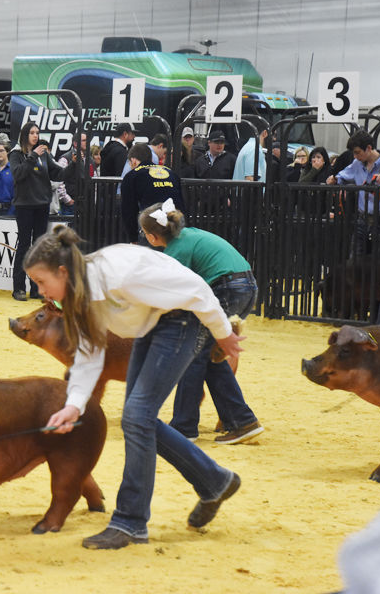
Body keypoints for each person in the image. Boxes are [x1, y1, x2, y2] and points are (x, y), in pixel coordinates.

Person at [24, 224, 244, 550]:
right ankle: (215, 481)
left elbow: (196, 289)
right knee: (138, 418)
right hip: (150, 324)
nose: (40, 291)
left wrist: (223, 331)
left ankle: (130, 522)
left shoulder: (118, 274)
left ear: (62, 271)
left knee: (137, 416)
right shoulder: (81, 294)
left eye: (42, 282)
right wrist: (74, 405)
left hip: (183, 318)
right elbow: (88, 356)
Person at [139, 199, 264, 444]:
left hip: (225, 288)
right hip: (246, 287)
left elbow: (174, 294)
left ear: (152, 237)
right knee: (207, 357)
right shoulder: (189, 236)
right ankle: (239, 420)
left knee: (193, 354)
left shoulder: (176, 251)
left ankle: (186, 426)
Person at [9, 121, 65, 301]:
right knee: (24, 245)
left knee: (39, 248)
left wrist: (72, 166)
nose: (35, 135)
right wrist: (32, 155)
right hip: (24, 205)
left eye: (37, 132)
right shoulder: (16, 155)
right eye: (32, 132)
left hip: (42, 204)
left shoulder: (44, 155)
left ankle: (36, 289)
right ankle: (18, 287)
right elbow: (18, 175)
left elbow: (56, 173)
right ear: (25, 135)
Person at [327, 130, 380, 256]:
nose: (355, 156)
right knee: (355, 258)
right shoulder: (356, 164)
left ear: (369, 148)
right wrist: (335, 179)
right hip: (362, 219)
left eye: (357, 152)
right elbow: (342, 175)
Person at [120, 143, 185, 244]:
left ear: (133, 160)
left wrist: (133, 238)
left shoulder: (131, 176)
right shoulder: (170, 173)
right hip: (176, 225)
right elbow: (181, 201)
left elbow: (128, 211)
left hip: (152, 228)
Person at [0, 142, 14, 215]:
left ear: (7, 152)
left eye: (1, 150)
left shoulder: (13, 170)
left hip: (9, 210)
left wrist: (11, 212)